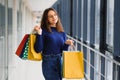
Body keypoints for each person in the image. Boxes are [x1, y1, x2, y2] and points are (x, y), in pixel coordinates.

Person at [34, 7, 74, 80]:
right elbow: (38, 49)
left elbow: (63, 50)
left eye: (55, 15)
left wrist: (67, 43)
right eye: (51, 16)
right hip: (49, 62)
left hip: (60, 61)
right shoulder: (43, 31)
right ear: (47, 19)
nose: (54, 17)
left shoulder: (62, 32)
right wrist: (39, 34)